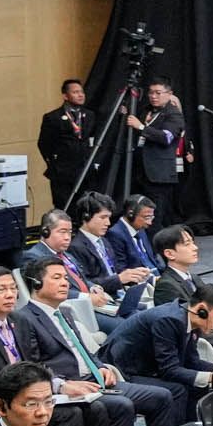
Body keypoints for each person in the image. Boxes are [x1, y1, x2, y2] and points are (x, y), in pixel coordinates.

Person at [0, 264, 137, 426]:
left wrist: (59, 385)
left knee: (95, 408)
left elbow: (34, 364)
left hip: (34, 394)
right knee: (72, 414)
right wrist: (12, 397)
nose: (10, 294)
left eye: (13, 288)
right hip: (4, 400)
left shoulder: (19, 320)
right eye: (1, 289)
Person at [25, 256, 184, 426]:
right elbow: (31, 365)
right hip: (72, 384)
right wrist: (61, 385)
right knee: (122, 405)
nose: (64, 283)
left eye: (66, 278)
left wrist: (100, 366)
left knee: (162, 396)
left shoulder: (64, 312)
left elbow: (83, 350)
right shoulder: (25, 319)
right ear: (36, 283)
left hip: (95, 379)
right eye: (56, 278)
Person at [108, 281, 213, 405]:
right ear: (201, 310)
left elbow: (191, 362)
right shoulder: (168, 321)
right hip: (123, 371)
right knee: (178, 390)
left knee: (199, 387)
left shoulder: (191, 320)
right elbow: (169, 370)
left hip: (146, 368)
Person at [126, 76, 189, 226]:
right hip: (141, 170)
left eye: (158, 93)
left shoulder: (174, 114)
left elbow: (166, 138)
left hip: (159, 174)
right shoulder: (146, 110)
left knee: (156, 215)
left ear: (169, 94)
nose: (153, 96)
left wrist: (141, 127)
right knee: (139, 212)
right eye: (151, 92)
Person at [37, 78, 94, 210]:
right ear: (65, 96)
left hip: (85, 171)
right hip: (63, 172)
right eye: (75, 92)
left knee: (86, 208)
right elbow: (44, 144)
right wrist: (55, 164)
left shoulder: (90, 115)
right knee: (64, 208)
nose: (80, 95)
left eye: (81, 92)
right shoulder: (53, 118)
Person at [105, 195, 160, 282]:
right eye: (146, 217)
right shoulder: (114, 234)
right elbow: (121, 270)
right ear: (130, 214)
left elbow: (152, 258)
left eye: (151, 217)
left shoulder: (140, 228)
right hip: (141, 282)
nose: (150, 222)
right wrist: (152, 280)